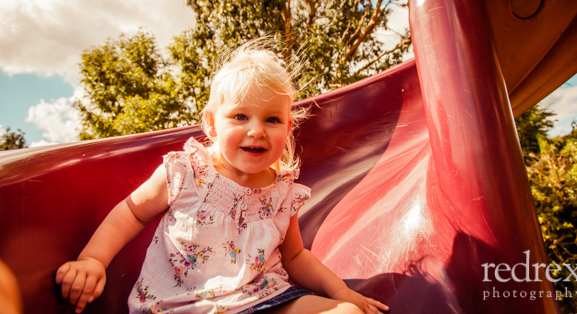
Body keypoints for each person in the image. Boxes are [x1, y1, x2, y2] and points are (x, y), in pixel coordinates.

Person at [56, 40, 389, 314]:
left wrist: (342, 292)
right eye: (240, 116)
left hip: (263, 300)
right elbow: (131, 211)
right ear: (213, 124)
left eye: (272, 119)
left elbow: (295, 256)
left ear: (288, 128)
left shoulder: (282, 193)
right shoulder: (186, 172)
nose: (256, 130)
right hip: (182, 305)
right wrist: (93, 259)